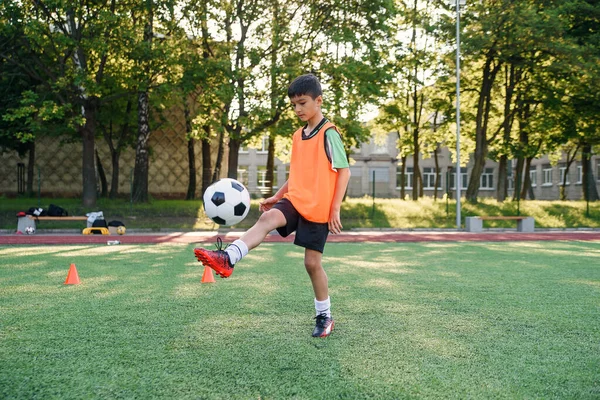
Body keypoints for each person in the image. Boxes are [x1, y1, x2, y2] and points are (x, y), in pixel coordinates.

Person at [194, 73, 351, 338]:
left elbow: (344, 171)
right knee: (266, 220)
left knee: (312, 264)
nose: (298, 109)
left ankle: (324, 315)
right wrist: (278, 197)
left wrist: (335, 208)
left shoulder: (329, 133)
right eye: (294, 105)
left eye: (302, 103)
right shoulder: (297, 136)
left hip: (319, 207)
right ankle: (228, 257)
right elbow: (297, 175)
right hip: (295, 199)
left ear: (318, 101)